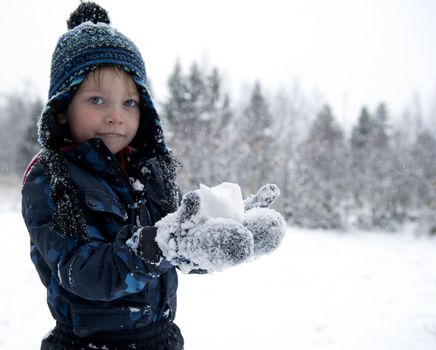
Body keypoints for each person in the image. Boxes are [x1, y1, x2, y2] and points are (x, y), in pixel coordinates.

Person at [21, 2, 286, 349]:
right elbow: (81, 273)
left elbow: (174, 251)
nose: (117, 116)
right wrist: (161, 246)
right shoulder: (52, 178)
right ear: (61, 110)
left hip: (159, 339)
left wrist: (222, 230)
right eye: (97, 100)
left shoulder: (149, 172)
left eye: (129, 103)